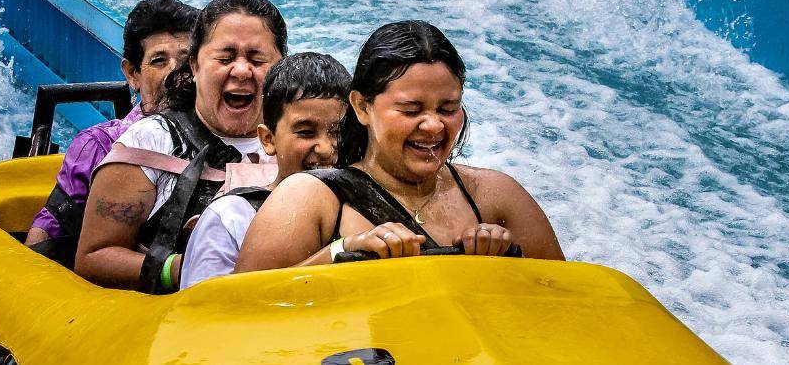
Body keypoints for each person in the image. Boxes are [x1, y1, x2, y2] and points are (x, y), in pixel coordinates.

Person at [235, 20, 564, 273]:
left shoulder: (497, 197)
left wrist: (507, 264)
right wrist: (340, 252)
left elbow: (567, 303)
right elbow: (236, 309)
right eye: (411, 110)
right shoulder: (308, 199)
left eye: (448, 109)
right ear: (362, 108)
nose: (434, 125)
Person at [75, 0, 288, 293]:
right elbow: (93, 257)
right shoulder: (150, 142)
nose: (241, 70)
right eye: (225, 58)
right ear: (194, 66)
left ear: (281, 68)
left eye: (257, 58)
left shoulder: (308, 141)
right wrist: (186, 268)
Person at [24, 0, 198, 253]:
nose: (174, 72)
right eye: (159, 61)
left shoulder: (225, 137)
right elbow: (42, 243)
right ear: (132, 74)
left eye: (185, 60)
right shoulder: (99, 147)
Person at [179, 52, 350, 289]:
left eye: (338, 132)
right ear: (268, 139)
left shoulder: (358, 208)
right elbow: (203, 312)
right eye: (306, 132)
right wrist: (338, 253)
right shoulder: (229, 219)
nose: (325, 148)